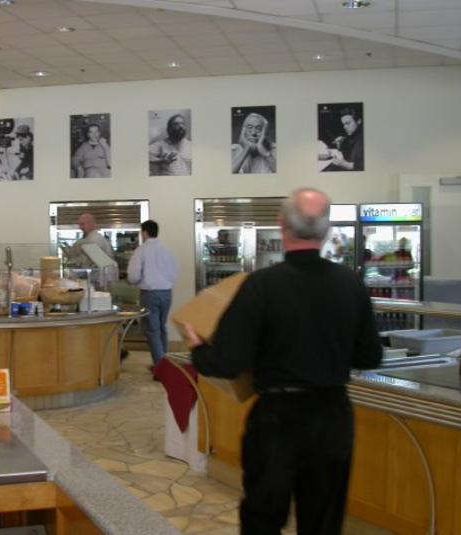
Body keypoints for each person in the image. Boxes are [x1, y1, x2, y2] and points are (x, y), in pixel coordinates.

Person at [182, 188, 382, 534]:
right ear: (326, 230)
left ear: (281, 225)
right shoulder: (350, 284)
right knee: (323, 521)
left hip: (277, 418)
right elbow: (370, 356)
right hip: (333, 415)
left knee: (263, 517)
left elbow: (227, 362)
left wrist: (198, 348)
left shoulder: (261, 285)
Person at [127, 220, 179, 371]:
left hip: (149, 294)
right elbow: (174, 273)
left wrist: (133, 282)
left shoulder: (141, 251)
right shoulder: (166, 250)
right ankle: (164, 362)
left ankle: (161, 368)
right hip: (167, 293)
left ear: (144, 232)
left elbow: (133, 275)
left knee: (152, 330)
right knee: (162, 328)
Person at [66, 213, 118, 282]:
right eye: (79, 225)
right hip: (100, 277)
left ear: (91, 224)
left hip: (102, 278)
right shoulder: (90, 238)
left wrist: (75, 274)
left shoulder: (94, 239)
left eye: (82, 224)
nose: (80, 227)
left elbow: (91, 264)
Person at [322, 107, 364, 172]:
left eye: (348, 123)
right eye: (343, 124)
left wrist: (347, 165)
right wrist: (342, 144)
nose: (345, 127)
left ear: (359, 121)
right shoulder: (354, 136)